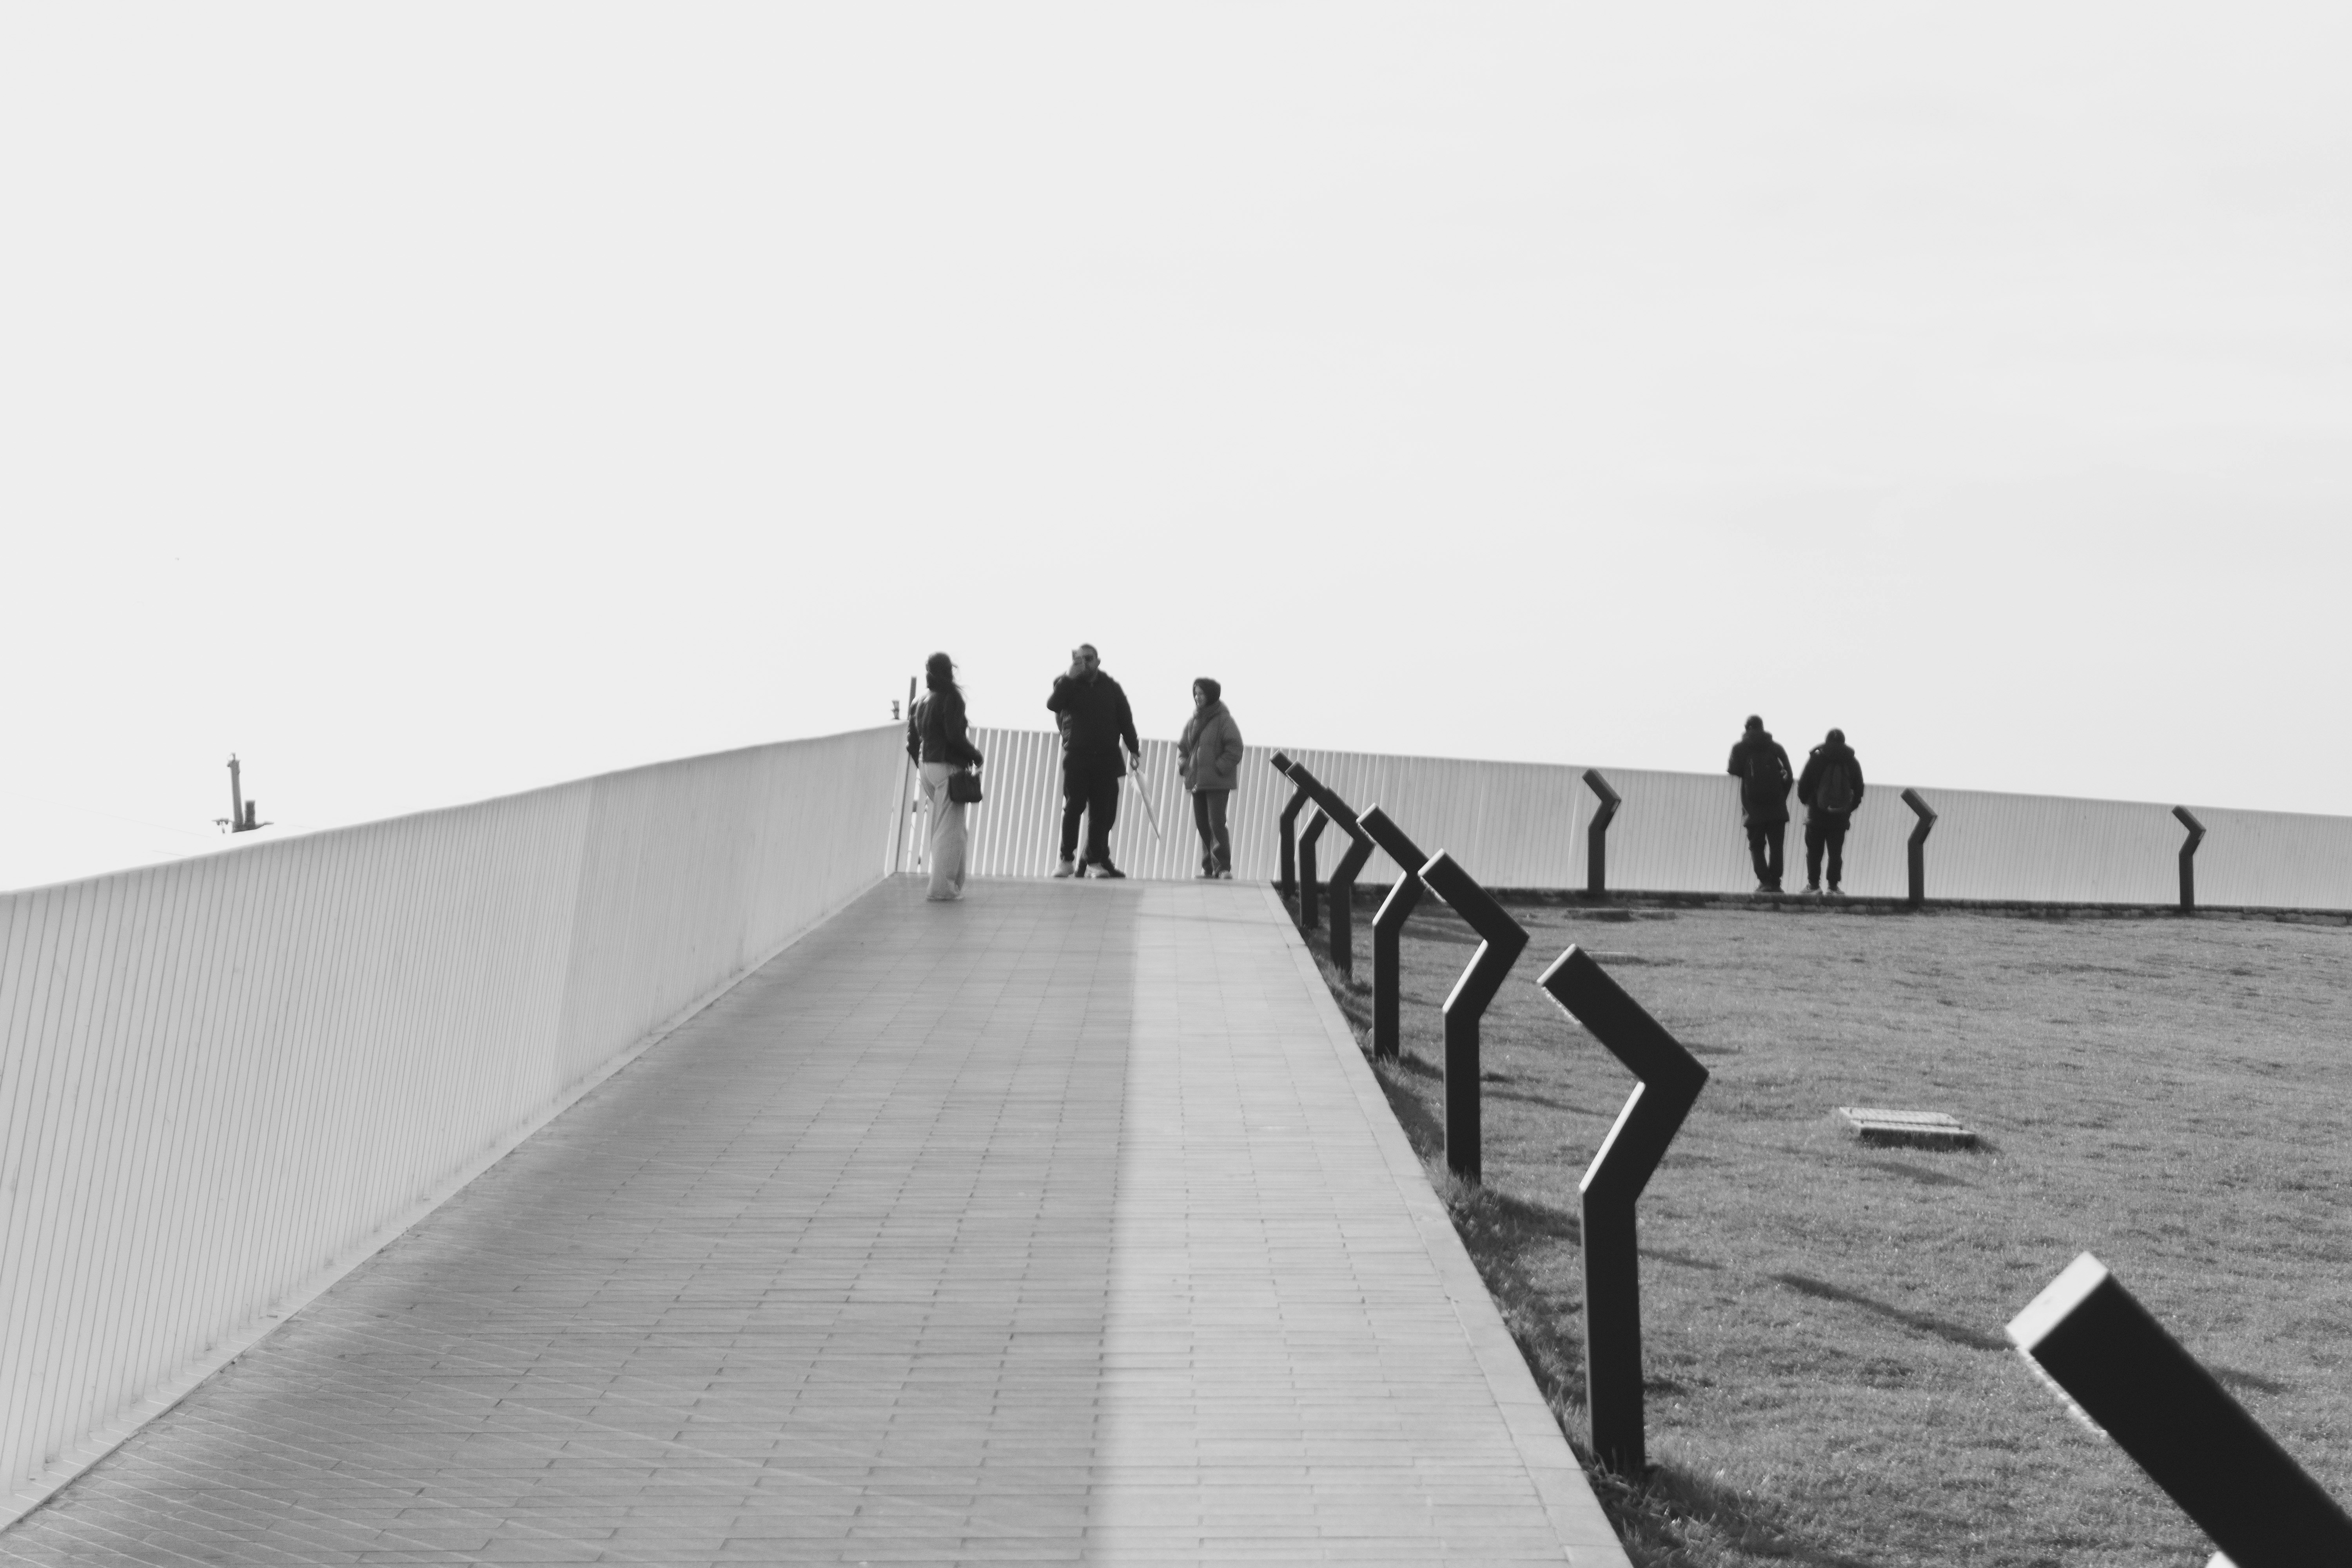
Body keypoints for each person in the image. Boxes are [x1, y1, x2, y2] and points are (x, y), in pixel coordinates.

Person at [1045, 643, 1139, 878]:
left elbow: (1125, 718)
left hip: (1106, 758)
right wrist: (1070, 676)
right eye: (1080, 659)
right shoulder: (1068, 684)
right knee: (1074, 807)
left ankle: (1095, 861)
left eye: (1089, 658)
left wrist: (1134, 749)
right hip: (1078, 756)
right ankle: (1066, 859)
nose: (1085, 663)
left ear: (1098, 661)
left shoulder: (1111, 687)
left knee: (1101, 813)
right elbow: (1053, 705)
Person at [906, 652, 984, 902]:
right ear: (950, 671)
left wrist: (922, 765)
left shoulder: (920, 700)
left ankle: (953, 885)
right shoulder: (952, 697)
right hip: (947, 766)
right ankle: (942, 889)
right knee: (950, 831)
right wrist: (976, 755)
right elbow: (954, 737)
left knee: (950, 827)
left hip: (927, 766)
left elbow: (912, 742)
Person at [1178, 677, 1244, 879]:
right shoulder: (1193, 721)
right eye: (1195, 693)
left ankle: (1223, 867)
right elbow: (1183, 749)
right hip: (1197, 781)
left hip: (1217, 782)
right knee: (1202, 824)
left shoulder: (1225, 720)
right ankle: (1208, 867)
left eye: (1202, 693)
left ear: (1212, 695)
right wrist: (1184, 766)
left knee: (1216, 823)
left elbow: (1235, 748)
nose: (1198, 697)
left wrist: (1218, 768)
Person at [1727, 715, 1793, 894]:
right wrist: (1781, 798)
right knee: (1776, 846)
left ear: (1747, 728)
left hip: (1752, 808)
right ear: (1763, 728)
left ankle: (1764, 882)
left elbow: (1733, 770)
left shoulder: (1740, 748)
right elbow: (1790, 777)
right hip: (1777, 808)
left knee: (1757, 846)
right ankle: (1776, 883)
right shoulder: (1776, 748)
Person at [1797, 727, 1866, 897]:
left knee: (1814, 852)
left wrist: (1811, 804)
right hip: (1840, 817)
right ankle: (1833, 887)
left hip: (1816, 815)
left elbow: (1802, 787)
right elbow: (1859, 790)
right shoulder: (1852, 762)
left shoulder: (1816, 759)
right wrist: (1848, 809)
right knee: (1836, 853)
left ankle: (1813, 886)